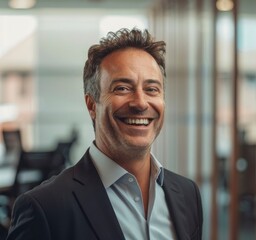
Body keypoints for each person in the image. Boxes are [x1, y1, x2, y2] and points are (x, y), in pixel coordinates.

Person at [6, 28, 203, 240]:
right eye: (122, 88)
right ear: (92, 105)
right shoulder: (45, 208)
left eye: (152, 89)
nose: (140, 102)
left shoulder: (187, 194)